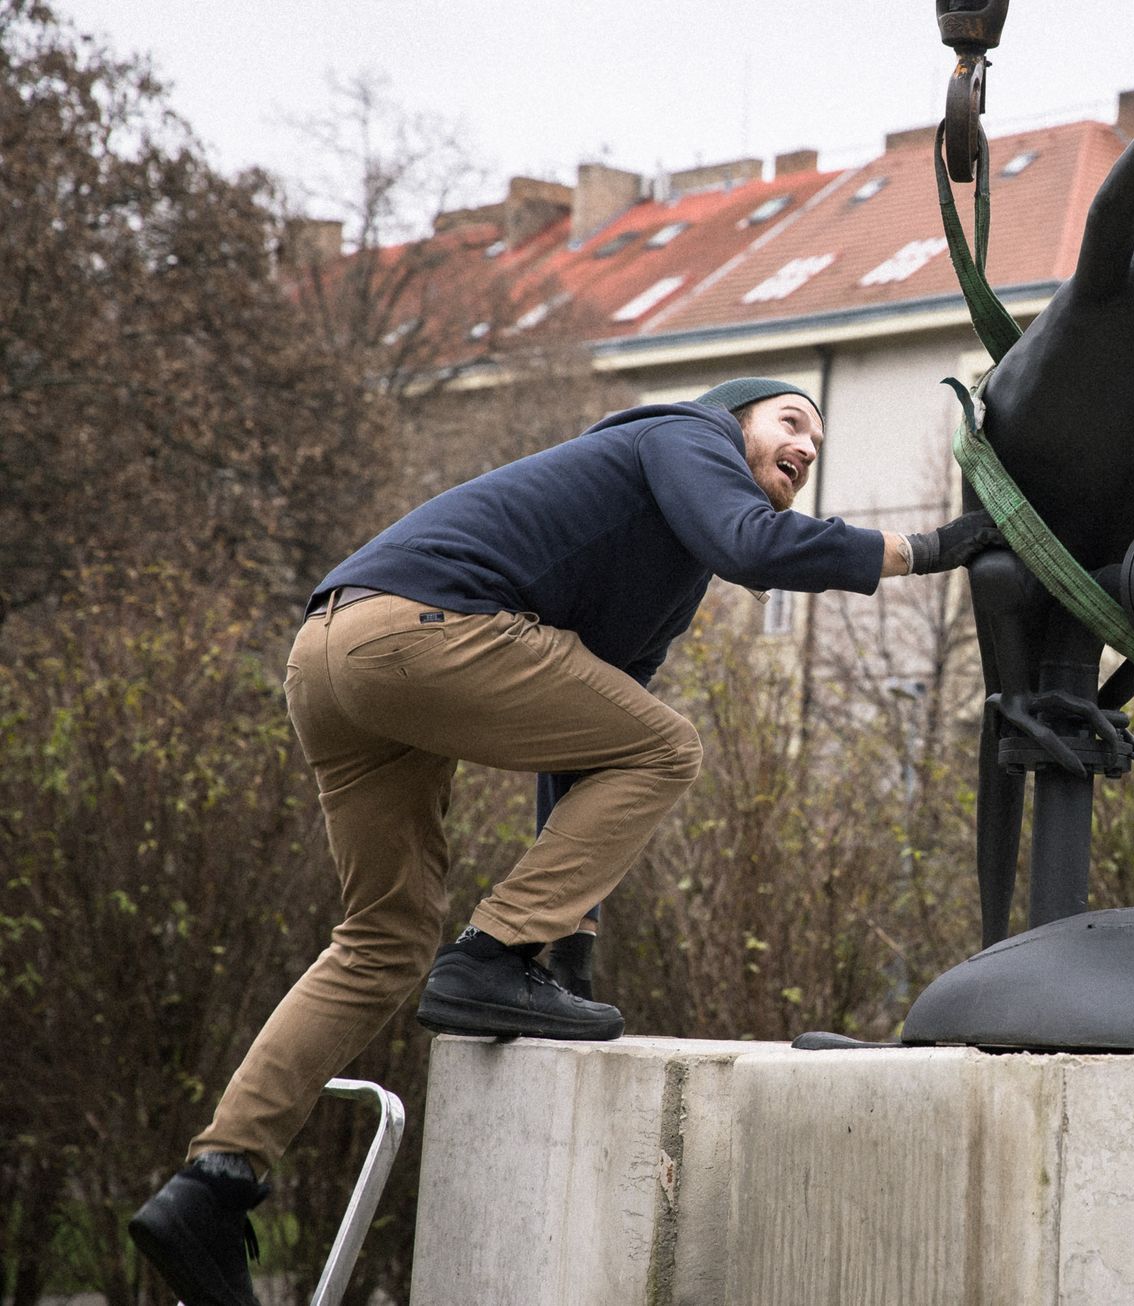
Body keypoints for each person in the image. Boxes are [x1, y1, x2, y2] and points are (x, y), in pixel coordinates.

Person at [127, 378, 1000, 1306]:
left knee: (381, 941)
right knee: (671, 746)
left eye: (819, 436)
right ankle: (488, 956)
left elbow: (585, 762)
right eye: (792, 420)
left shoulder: (659, 571)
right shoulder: (681, 434)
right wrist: (936, 548)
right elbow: (751, 546)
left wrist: (563, 956)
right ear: (736, 418)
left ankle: (214, 1182)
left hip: (333, 655)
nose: (809, 444)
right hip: (421, 631)